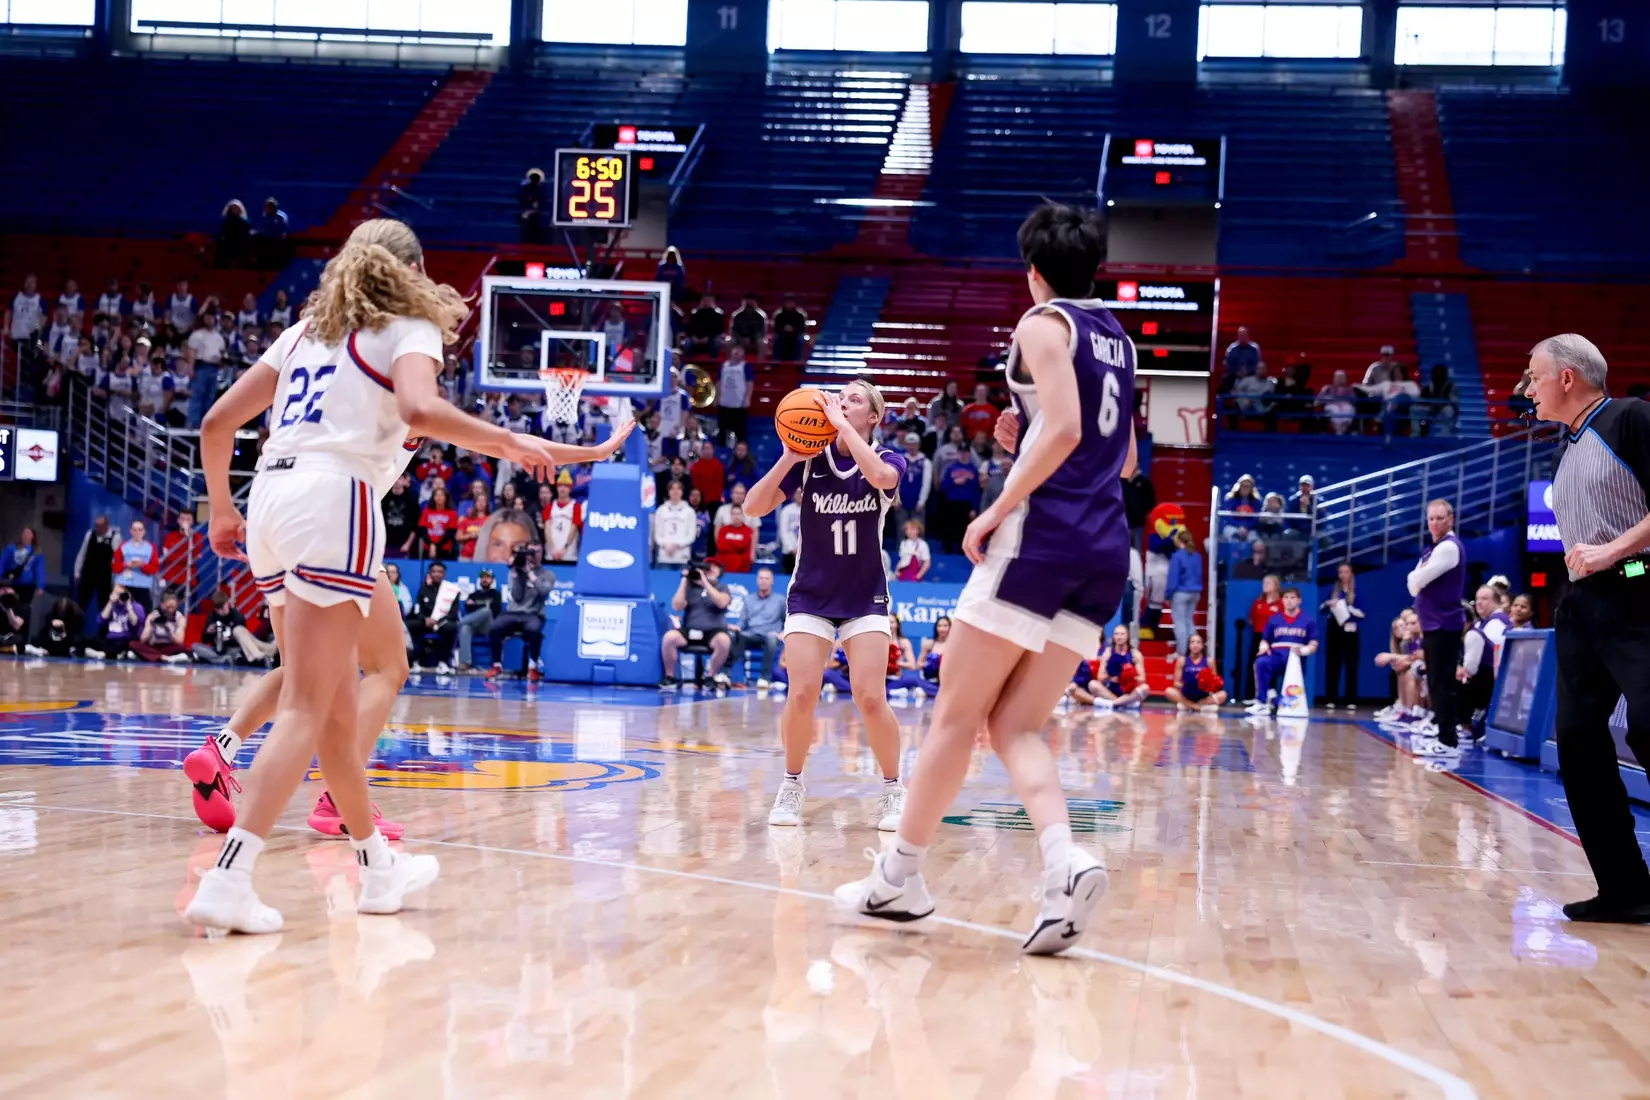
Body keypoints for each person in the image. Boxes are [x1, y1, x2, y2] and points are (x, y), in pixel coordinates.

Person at [184, 217, 580, 934]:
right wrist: (508, 440)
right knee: (308, 703)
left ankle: (375, 867)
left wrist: (220, 510)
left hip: (268, 496)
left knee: (334, 700)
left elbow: (216, 422)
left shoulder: (305, 333)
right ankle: (229, 877)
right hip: (334, 497)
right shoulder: (408, 324)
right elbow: (420, 407)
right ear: (413, 269)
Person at [835, 203, 1135, 953]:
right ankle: (1065, 863)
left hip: (1043, 540)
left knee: (953, 719)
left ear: (1034, 272)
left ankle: (899, 876)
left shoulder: (1044, 324)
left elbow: (1065, 428)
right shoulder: (1120, 339)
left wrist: (996, 506)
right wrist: (1025, 427)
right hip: (1104, 550)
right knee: (1014, 725)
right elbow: (1122, 457)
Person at [1520, 333, 1650, 922]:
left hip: (1639, 590)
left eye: (1534, 376)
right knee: (1576, 743)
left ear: (1567, 378)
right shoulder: (1563, 450)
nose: (1528, 387)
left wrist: (1609, 552)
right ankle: (1627, 889)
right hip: (1581, 608)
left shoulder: (1630, 420)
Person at [744, 380, 908, 831]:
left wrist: (838, 425)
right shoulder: (811, 459)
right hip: (811, 594)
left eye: (854, 400)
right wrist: (788, 457)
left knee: (871, 698)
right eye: (840, 397)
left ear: (873, 416)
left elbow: (881, 479)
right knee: (800, 694)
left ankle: (894, 789)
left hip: (864, 595)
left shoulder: (890, 459)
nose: (842, 402)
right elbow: (752, 508)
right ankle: (792, 783)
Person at [1405, 499, 1467, 757]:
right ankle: (1443, 733)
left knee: (1442, 683)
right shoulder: (1435, 548)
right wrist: (1415, 579)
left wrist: (1415, 578)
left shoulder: (1448, 548)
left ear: (1451, 519)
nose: (1434, 523)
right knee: (1436, 682)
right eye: (1430, 518)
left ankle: (1448, 741)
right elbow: (1412, 584)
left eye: (1439, 518)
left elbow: (1416, 579)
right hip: (1435, 625)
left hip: (1444, 625)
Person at [659, 558, 734, 688]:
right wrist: (684, 580)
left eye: (713, 567)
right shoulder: (690, 587)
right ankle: (669, 677)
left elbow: (721, 602)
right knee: (669, 637)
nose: (709, 569)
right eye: (707, 567)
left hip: (713, 631)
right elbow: (677, 606)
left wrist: (705, 582)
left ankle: (710, 676)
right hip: (689, 630)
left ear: (720, 572)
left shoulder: (722, 587)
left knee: (724, 640)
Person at [488, 545, 557, 680]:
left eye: (536, 552)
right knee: (495, 627)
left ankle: (532, 667)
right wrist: (517, 574)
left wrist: (530, 574)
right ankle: (496, 665)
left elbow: (544, 591)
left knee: (534, 630)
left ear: (541, 554)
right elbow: (517, 596)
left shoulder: (548, 574)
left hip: (533, 614)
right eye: (529, 552)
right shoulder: (516, 571)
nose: (532, 555)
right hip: (513, 612)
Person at [1248, 586, 1319, 716]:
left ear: (1299, 600)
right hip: (1276, 656)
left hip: (1295, 659)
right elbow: (1265, 639)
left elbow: (1314, 643)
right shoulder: (1274, 619)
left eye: (1292, 597)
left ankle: (1279, 702)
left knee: (1291, 686)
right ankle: (1262, 702)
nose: (1289, 601)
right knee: (1261, 663)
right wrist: (1263, 647)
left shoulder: (1308, 620)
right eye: (1286, 597)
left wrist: (1304, 650)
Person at [1459, 584, 1511, 737]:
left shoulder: (1496, 623)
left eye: (1484, 599)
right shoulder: (1480, 623)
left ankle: (1465, 726)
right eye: (1477, 599)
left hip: (1493, 678)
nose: (1479, 603)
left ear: (1497, 602)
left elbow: (1489, 660)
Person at [1320, 562, 1365, 711]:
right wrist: (1328, 604)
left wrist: (1347, 607)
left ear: (1351, 573)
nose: (1343, 575)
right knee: (1332, 664)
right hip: (1334, 630)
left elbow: (1363, 613)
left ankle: (1351, 699)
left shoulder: (1357, 591)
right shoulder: (1333, 590)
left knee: (1351, 665)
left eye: (1346, 572)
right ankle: (1331, 698)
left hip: (1351, 631)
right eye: (1340, 572)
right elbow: (1322, 610)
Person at [733, 567, 786, 687]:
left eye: (767, 578)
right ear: (757, 580)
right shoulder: (749, 599)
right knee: (736, 637)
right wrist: (737, 628)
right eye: (761, 578)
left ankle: (764, 678)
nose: (763, 581)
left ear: (772, 581)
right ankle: (738, 678)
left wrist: (782, 632)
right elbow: (742, 622)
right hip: (751, 634)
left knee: (771, 639)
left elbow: (787, 621)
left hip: (770, 634)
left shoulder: (780, 600)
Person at [1076, 624, 1148, 709]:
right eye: (1116, 634)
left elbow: (1142, 679)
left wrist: (1128, 677)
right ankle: (1123, 703)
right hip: (1111, 689)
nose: (1119, 637)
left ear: (1127, 636)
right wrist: (1110, 677)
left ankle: (1114, 704)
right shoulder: (1107, 653)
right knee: (1093, 684)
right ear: (1113, 636)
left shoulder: (1135, 654)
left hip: (1128, 689)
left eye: (1122, 634)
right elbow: (1100, 678)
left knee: (1145, 688)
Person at [405, 561, 460, 672]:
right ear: (429, 573)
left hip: (442, 622)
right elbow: (418, 610)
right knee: (410, 625)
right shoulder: (423, 590)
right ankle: (414, 661)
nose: (436, 574)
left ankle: (443, 662)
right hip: (426, 622)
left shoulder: (453, 591)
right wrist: (425, 619)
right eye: (434, 571)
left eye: (440, 572)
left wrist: (437, 621)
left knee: (451, 627)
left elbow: (453, 614)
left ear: (444, 574)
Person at [1164, 631, 1226, 712]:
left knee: (1223, 694)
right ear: (1189, 645)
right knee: (1169, 691)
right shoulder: (1182, 660)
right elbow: (1176, 683)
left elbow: (1215, 683)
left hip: (1203, 696)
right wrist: (1186, 684)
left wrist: (1205, 684)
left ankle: (1194, 705)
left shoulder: (1209, 661)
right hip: (1187, 695)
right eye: (1192, 642)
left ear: (1202, 645)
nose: (1195, 645)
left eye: (1198, 642)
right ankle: (1194, 706)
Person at [456, 568, 503, 672]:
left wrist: (476, 605)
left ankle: (459, 623)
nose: (485, 579)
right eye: (483, 577)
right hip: (475, 625)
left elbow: (495, 611)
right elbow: (469, 610)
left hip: (490, 626)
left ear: (492, 580)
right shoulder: (473, 595)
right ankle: (465, 663)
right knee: (465, 628)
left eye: (488, 577)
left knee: (486, 611)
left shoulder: (496, 594)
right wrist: (481, 605)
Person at [1166, 528, 1202, 657]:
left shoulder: (1177, 556)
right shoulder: (1197, 556)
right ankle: (1195, 650)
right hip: (1195, 592)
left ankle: (1181, 652)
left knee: (1180, 622)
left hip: (1181, 592)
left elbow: (1173, 578)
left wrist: (1168, 595)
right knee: (1189, 621)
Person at [112, 520, 159, 615]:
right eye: (135, 530)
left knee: (144, 614)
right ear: (131, 531)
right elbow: (115, 567)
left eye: (140, 530)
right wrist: (125, 565)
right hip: (124, 586)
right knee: (122, 613)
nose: (137, 532)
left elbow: (154, 568)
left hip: (143, 587)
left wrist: (142, 565)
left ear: (144, 531)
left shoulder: (151, 547)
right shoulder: (123, 546)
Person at [131, 590, 190, 663]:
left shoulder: (180, 618)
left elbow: (180, 641)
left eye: (173, 607)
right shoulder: (152, 615)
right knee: (133, 644)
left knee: (182, 647)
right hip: (154, 646)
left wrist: (168, 630)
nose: (170, 610)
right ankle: (163, 657)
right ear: (162, 604)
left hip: (169, 646)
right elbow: (143, 640)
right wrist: (151, 626)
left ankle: (150, 656)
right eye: (168, 607)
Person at [653, 479, 697, 566]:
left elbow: (691, 536)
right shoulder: (661, 510)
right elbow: (657, 535)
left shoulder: (689, 511)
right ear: (668, 492)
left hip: (683, 557)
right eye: (672, 489)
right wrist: (666, 545)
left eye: (678, 489)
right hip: (664, 557)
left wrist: (677, 545)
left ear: (682, 492)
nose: (675, 491)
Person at [0, 526, 45, 607]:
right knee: (10, 606)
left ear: (33, 536)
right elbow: (2, 563)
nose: (26, 535)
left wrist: (40, 586)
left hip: (28, 586)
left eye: (28, 533)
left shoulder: (37, 551)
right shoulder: (11, 548)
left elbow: (39, 569)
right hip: (13, 583)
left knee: (24, 607)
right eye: (24, 533)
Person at [544, 480, 582, 564]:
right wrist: (552, 549)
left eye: (566, 486)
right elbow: (547, 529)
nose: (562, 489)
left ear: (570, 489)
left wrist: (565, 548)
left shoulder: (576, 506)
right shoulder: (549, 506)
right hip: (551, 552)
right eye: (560, 486)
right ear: (557, 488)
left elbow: (574, 528)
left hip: (569, 552)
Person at [713, 503, 755, 573]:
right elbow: (720, 546)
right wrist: (736, 544)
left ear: (742, 515)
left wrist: (728, 542)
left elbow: (742, 546)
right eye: (733, 514)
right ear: (730, 516)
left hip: (742, 567)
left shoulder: (748, 530)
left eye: (738, 514)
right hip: (723, 566)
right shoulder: (723, 530)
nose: (736, 516)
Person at [916, 614, 950, 689]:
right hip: (930, 682)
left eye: (945, 626)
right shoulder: (929, 644)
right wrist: (929, 665)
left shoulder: (954, 646)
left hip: (947, 684)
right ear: (936, 628)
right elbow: (918, 664)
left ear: (950, 628)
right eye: (939, 626)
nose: (942, 629)